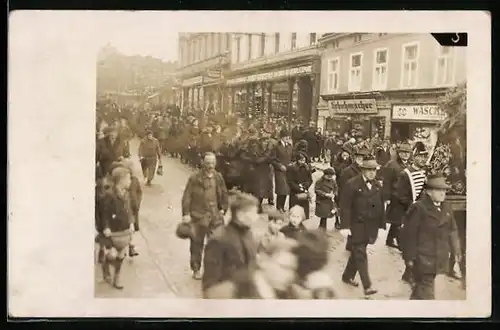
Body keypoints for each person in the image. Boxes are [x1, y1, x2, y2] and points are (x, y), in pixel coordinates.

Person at [401, 174, 461, 300]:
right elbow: (408, 235)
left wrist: (456, 249)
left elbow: (452, 229)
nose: (442, 193)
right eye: (438, 190)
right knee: (427, 295)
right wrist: (409, 258)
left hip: (439, 257)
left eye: (444, 190)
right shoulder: (418, 208)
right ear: (428, 191)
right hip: (423, 259)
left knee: (420, 292)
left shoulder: (446, 207)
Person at [339, 155, 386, 296]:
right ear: (362, 170)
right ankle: (367, 286)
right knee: (360, 254)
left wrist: (381, 225)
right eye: (369, 169)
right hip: (356, 225)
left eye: (374, 170)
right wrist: (345, 226)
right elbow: (345, 207)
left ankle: (347, 276)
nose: (372, 172)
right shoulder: (352, 184)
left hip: (370, 227)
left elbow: (380, 207)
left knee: (357, 252)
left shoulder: (377, 185)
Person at [182, 152, 229, 280]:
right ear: (202, 162)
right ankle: (196, 269)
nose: (210, 166)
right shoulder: (195, 178)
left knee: (216, 243)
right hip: (198, 216)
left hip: (215, 216)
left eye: (213, 163)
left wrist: (224, 209)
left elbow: (224, 193)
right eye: (208, 163)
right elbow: (187, 196)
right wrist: (186, 214)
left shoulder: (218, 177)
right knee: (197, 244)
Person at [202, 192, 260, 295]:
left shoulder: (249, 234)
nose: (256, 217)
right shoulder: (218, 240)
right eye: (253, 213)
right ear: (240, 215)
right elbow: (210, 285)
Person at [387, 142, 428, 284]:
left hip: (422, 213)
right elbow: (399, 195)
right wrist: (412, 205)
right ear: (414, 157)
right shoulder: (405, 174)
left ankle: (409, 273)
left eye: (425, 157)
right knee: (410, 245)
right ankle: (409, 273)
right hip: (409, 213)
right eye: (420, 157)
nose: (423, 160)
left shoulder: (425, 173)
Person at [97, 167, 135, 290]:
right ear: (121, 180)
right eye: (128, 179)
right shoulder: (110, 195)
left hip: (124, 229)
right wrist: (106, 227)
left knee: (121, 255)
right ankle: (106, 264)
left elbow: (129, 211)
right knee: (112, 255)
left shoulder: (127, 194)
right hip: (113, 231)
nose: (130, 181)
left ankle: (116, 277)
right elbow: (105, 213)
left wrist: (131, 223)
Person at [383, 142, 413, 248]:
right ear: (399, 153)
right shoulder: (392, 165)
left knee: (399, 220)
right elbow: (387, 181)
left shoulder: (410, 165)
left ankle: (389, 240)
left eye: (407, 153)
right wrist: (386, 197)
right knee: (398, 220)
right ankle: (401, 243)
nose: (405, 155)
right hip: (395, 197)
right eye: (403, 152)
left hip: (406, 197)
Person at [270, 129, 294, 213]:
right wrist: (280, 166)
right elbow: (272, 159)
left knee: (286, 189)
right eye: (286, 137)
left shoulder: (290, 146)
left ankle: (282, 206)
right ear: (282, 137)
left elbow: (292, 158)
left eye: (289, 137)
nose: (288, 138)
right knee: (281, 189)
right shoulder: (276, 146)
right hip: (279, 170)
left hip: (288, 171)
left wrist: (291, 164)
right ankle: (279, 206)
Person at [286, 152, 314, 220]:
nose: (302, 162)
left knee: (303, 211)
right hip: (295, 192)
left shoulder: (307, 167)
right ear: (297, 160)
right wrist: (299, 188)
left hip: (304, 191)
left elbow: (310, 179)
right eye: (301, 160)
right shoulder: (291, 167)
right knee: (295, 210)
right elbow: (290, 181)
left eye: (304, 160)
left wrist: (306, 185)